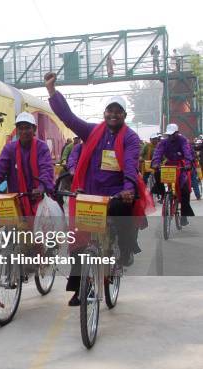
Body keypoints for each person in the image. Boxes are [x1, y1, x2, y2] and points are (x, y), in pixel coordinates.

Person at [44, 71, 153, 306]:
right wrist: (52, 92)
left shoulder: (131, 138)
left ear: (124, 115)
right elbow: (68, 117)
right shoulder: (92, 131)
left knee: (124, 218)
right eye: (110, 111)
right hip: (89, 194)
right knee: (79, 242)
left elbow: (131, 167)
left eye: (118, 111)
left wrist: (127, 190)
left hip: (116, 194)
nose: (113, 115)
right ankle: (80, 289)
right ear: (104, 113)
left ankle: (125, 250)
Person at [0, 112, 55, 216]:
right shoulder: (9, 148)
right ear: (17, 130)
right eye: (20, 128)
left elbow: (46, 170)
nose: (24, 131)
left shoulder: (41, 147)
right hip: (16, 201)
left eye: (27, 128)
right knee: (13, 230)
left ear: (34, 129)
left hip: (39, 201)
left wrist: (41, 188)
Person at [151, 123, 195, 225]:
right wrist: (156, 163)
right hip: (169, 164)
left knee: (184, 190)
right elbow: (158, 153)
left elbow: (187, 153)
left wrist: (188, 164)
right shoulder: (164, 142)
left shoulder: (183, 140)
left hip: (181, 165)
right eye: (169, 135)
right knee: (157, 173)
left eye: (172, 134)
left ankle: (184, 216)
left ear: (177, 133)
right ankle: (163, 195)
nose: (170, 137)